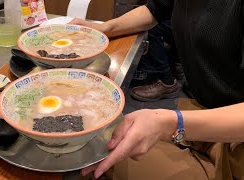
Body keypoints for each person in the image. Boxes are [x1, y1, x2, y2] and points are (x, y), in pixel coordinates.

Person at [69, 1, 244, 179]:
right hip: (200, 114)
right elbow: (155, 10)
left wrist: (171, 123)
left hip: (235, 139)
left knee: (100, 157)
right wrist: (105, 28)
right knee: (100, 147)